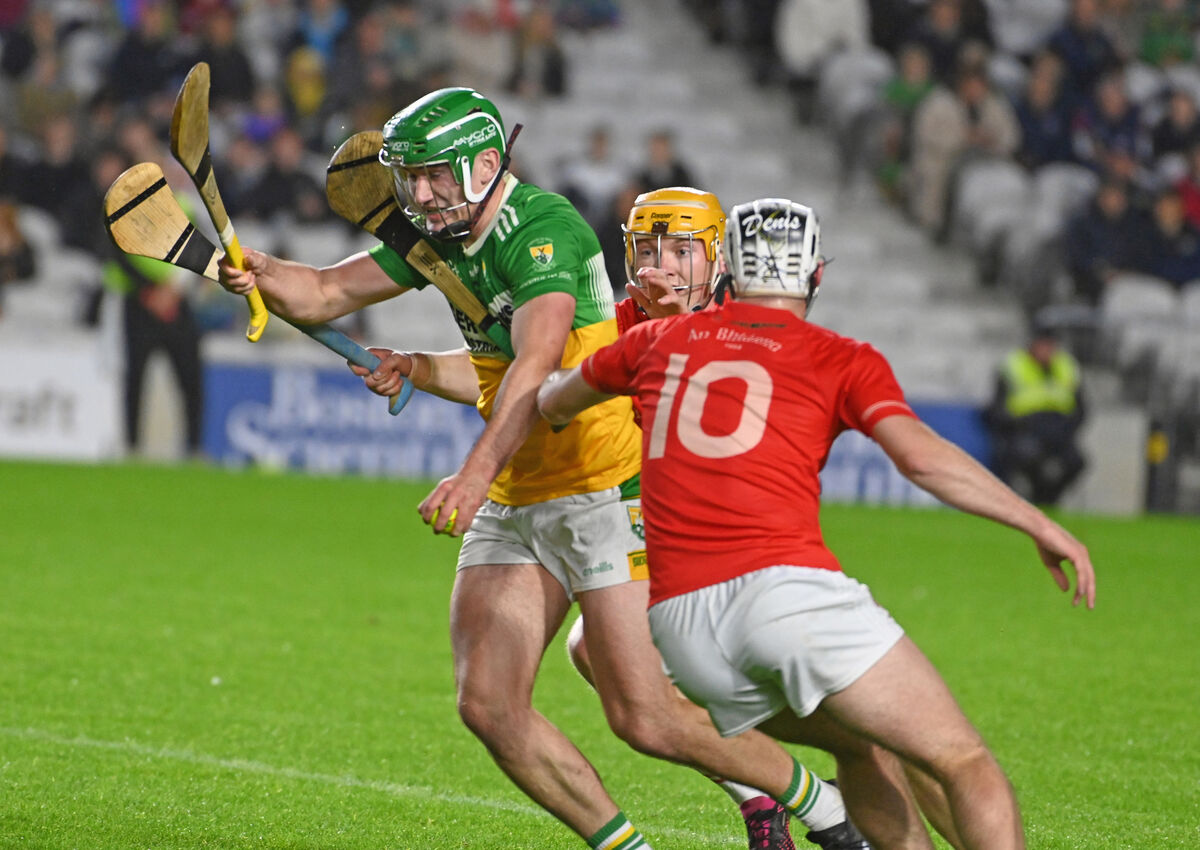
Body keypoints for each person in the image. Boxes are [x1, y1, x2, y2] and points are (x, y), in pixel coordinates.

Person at [219, 88, 873, 850]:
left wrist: (468, 474)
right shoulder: (440, 237)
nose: (418, 194)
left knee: (645, 715)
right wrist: (260, 269)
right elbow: (326, 291)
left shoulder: (545, 231)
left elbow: (536, 366)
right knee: (489, 705)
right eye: (410, 178)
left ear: (485, 166)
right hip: (519, 492)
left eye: (433, 175)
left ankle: (820, 808)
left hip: (600, 488)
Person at [537, 197, 1097, 850]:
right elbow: (920, 459)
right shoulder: (839, 355)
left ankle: (789, 804)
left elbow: (549, 400)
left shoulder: (652, 338)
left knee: (862, 747)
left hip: (685, 628)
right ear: (817, 276)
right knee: (959, 758)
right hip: (783, 594)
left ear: (728, 269)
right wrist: (1037, 522)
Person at [984, 319, 1088, 506]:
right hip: (1024, 430)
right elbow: (996, 410)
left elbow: (1082, 409)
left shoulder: (1068, 367)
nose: (1046, 349)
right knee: (1028, 456)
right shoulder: (1012, 365)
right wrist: (1018, 425)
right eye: (1042, 343)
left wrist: (1066, 430)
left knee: (1076, 462)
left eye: (1050, 344)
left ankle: (1049, 500)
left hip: (1059, 433)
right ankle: (1032, 499)